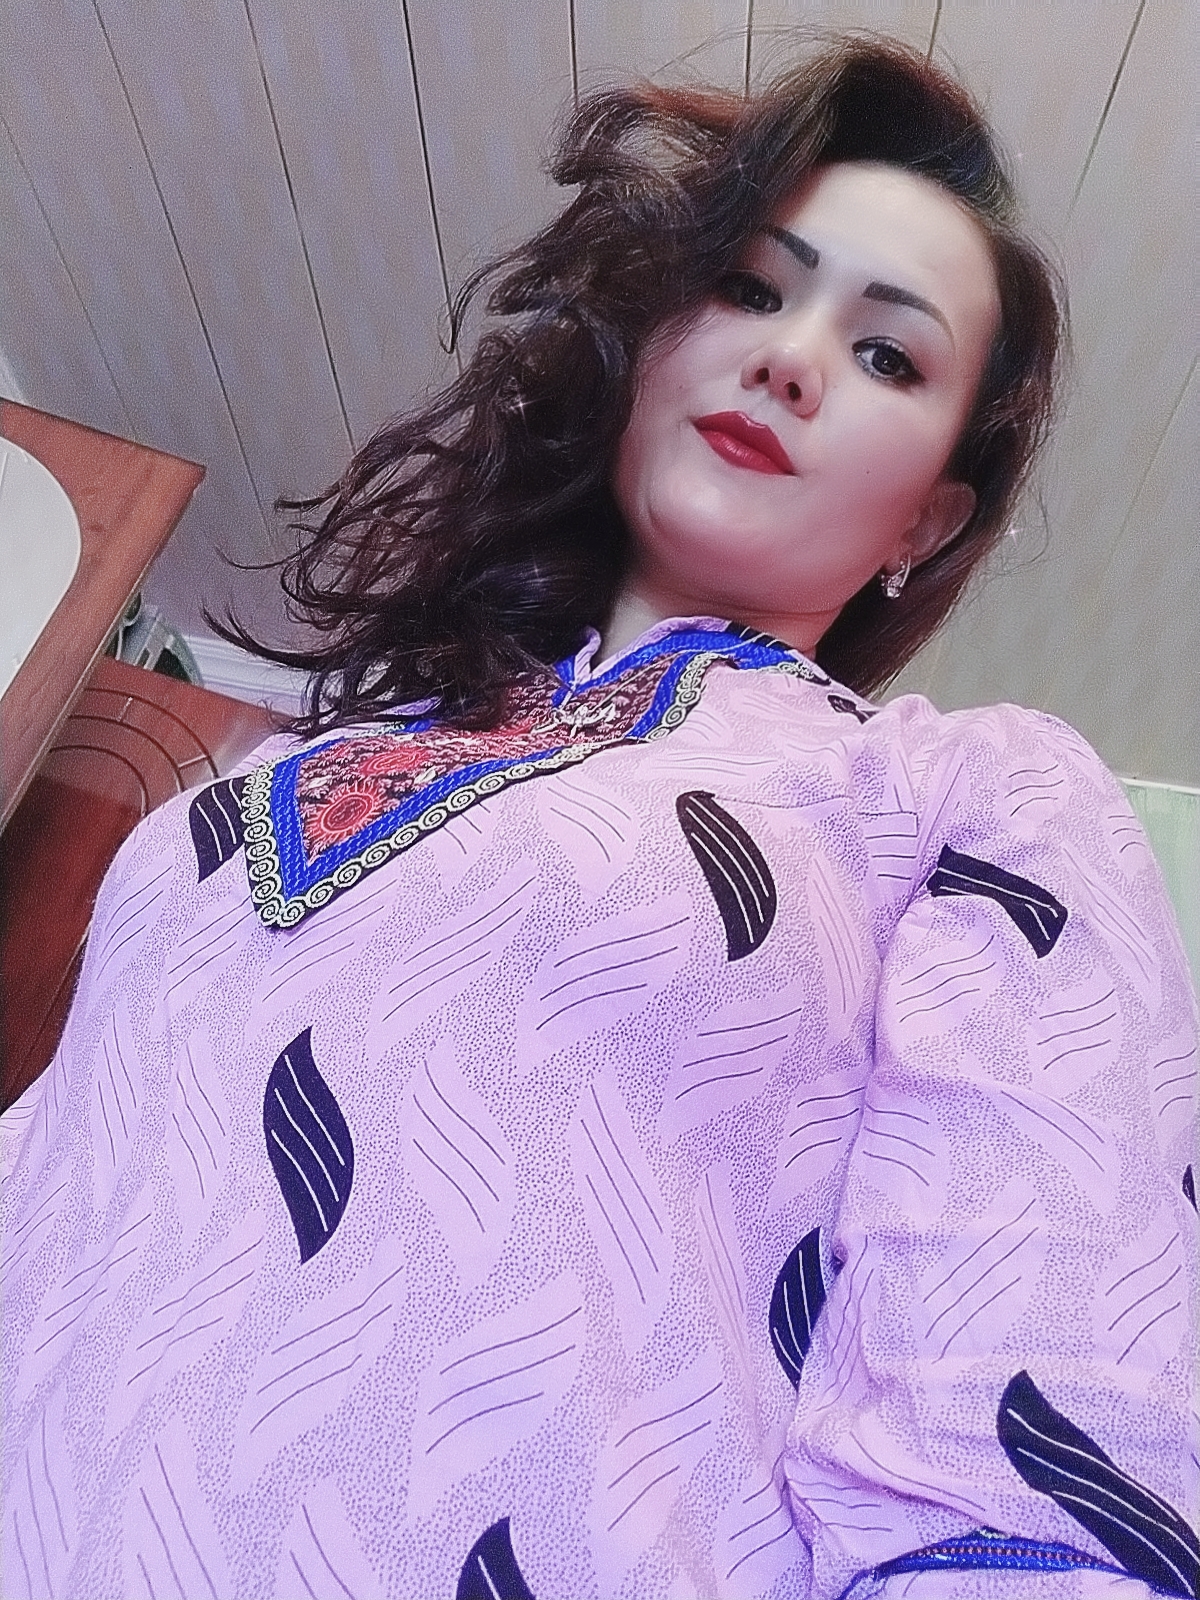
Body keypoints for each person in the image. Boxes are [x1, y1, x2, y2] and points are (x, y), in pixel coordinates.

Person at [2, 36, 1196, 1600]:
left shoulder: (955, 795)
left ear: (926, 518)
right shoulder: (287, 774)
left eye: (888, 356)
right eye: (752, 290)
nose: (791, 359)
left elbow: (1035, 1427)